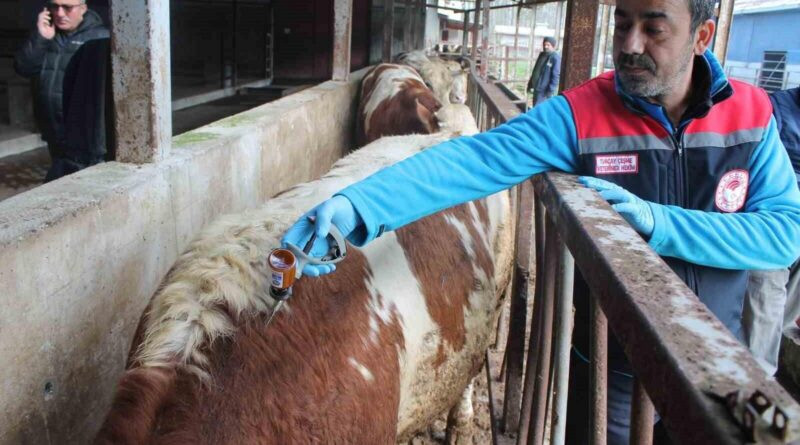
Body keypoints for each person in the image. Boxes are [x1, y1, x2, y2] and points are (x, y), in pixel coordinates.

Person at [283, 0, 800, 443]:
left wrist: (656, 225)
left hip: (720, 363)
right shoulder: (581, 113)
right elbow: (474, 161)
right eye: (621, 24)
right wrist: (360, 205)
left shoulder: (752, 116)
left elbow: (784, 234)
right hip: (609, 367)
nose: (630, 44)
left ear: (702, 35)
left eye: (654, 28)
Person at [15, 0, 111, 182]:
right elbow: (24, 68)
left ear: (83, 8)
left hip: (84, 135)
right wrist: (41, 38)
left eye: (67, 7)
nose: (59, 13)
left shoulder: (99, 38)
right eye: (54, 6)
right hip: (53, 130)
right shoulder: (47, 36)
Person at [744, 86, 800, 375]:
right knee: (764, 299)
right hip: (770, 228)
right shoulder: (774, 108)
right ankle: (754, 384)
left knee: (778, 316)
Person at [526, 37, 561, 106]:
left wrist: (550, 90)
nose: (545, 47)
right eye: (544, 44)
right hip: (536, 87)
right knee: (535, 106)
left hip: (544, 91)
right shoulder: (542, 55)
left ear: (553, 46)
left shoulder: (555, 57)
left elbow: (556, 76)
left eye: (548, 45)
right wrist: (530, 84)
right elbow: (535, 70)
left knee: (539, 109)